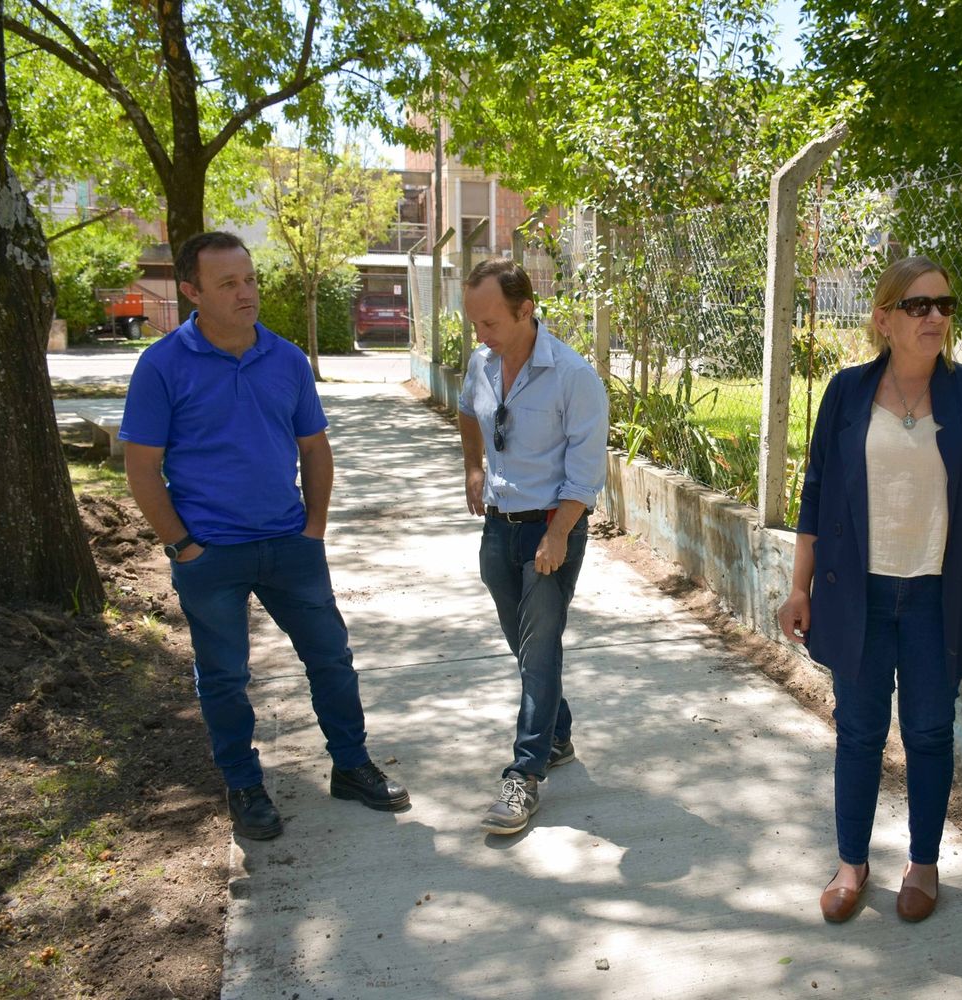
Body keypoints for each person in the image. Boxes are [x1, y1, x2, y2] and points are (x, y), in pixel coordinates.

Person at [120, 231, 409, 842]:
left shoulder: (285, 359)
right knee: (224, 677)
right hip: (209, 553)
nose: (245, 293)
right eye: (227, 284)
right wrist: (183, 547)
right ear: (192, 291)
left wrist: (314, 529)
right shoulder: (162, 365)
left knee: (332, 659)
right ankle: (245, 786)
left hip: (289, 545)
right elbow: (142, 468)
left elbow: (315, 448)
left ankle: (351, 765)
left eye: (248, 279)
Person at [777, 255, 962, 924]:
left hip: (941, 599)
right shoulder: (847, 393)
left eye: (945, 305)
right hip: (861, 593)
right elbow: (817, 492)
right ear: (883, 318)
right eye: (919, 306)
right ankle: (851, 864)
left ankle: (923, 862)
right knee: (857, 732)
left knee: (930, 732)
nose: (936, 317)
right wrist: (800, 587)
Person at [457, 258, 609, 836]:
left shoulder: (573, 375)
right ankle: (558, 735)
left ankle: (524, 773)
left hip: (552, 526)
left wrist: (558, 534)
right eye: (475, 324)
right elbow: (470, 411)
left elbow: (585, 472)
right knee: (523, 647)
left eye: (491, 323)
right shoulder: (482, 363)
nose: (481, 336)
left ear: (527, 311)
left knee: (540, 643)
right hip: (497, 525)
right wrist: (473, 469)